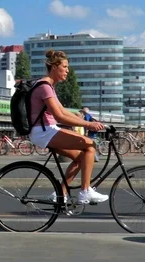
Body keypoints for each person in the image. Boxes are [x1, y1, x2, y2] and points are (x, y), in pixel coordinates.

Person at [28, 49, 109, 204]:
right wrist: (88, 124)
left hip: (46, 130)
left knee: (81, 158)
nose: (67, 70)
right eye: (64, 67)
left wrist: (86, 119)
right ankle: (85, 192)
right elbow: (59, 117)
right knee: (90, 145)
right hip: (44, 131)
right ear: (54, 67)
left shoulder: (49, 86)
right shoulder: (44, 86)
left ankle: (59, 194)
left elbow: (63, 111)